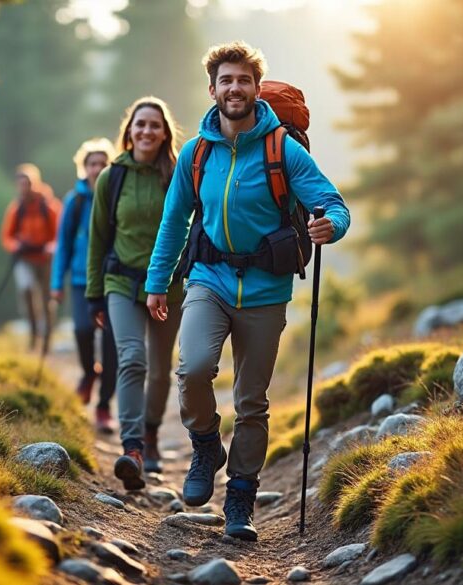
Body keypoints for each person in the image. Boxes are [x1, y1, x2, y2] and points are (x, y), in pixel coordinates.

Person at [144, 41, 351, 541]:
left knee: (252, 400)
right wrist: (156, 282)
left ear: (256, 89)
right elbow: (174, 222)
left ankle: (240, 498)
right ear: (211, 89)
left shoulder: (283, 148)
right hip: (208, 280)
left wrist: (332, 227)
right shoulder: (197, 153)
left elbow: (332, 203)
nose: (234, 88)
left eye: (243, 80)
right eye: (225, 80)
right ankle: (205, 444)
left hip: (266, 288)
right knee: (192, 369)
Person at [86, 97, 186, 490]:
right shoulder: (112, 178)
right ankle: (132, 449)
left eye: (154, 125)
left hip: (167, 287)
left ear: (165, 134)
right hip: (121, 284)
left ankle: (151, 434)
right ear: (129, 131)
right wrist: (95, 294)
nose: (146, 131)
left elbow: (192, 225)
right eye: (139, 124)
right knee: (132, 358)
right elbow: (97, 239)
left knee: (162, 370)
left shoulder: (178, 175)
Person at [51, 138, 119, 434]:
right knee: (81, 329)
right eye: (92, 163)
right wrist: (56, 283)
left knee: (112, 343)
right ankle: (90, 372)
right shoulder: (75, 201)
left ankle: (104, 406)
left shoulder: (118, 194)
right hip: (81, 280)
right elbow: (63, 243)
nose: (97, 168)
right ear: (85, 167)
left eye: (103, 163)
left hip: (115, 279)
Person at [0, 163, 61, 354]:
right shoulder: (16, 209)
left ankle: (47, 343)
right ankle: (33, 337)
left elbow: (60, 233)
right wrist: (15, 245)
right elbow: (6, 237)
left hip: (45, 259)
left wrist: (53, 246)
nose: (24, 188)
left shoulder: (49, 206)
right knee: (26, 292)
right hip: (25, 259)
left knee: (46, 300)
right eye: (20, 184)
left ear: (35, 183)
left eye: (27, 183)